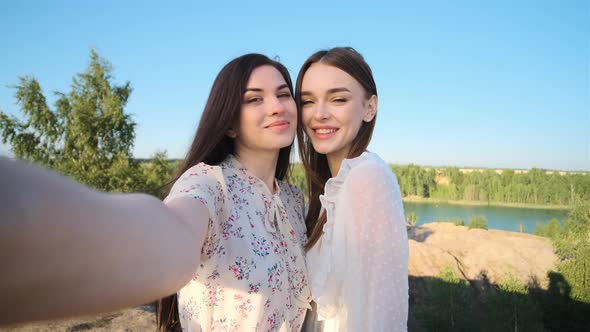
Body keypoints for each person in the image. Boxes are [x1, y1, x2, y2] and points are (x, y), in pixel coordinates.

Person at [0, 53, 311, 332]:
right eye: (254, 99)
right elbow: (172, 232)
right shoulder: (209, 184)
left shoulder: (293, 200)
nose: (276, 107)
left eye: (283, 94)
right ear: (229, 123)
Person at [295, 47, 409, 331]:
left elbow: (379, 316)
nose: (319, 114)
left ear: (369, 108)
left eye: (338, 99)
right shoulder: (334, 189)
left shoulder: (367, 179)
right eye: (308, 101)